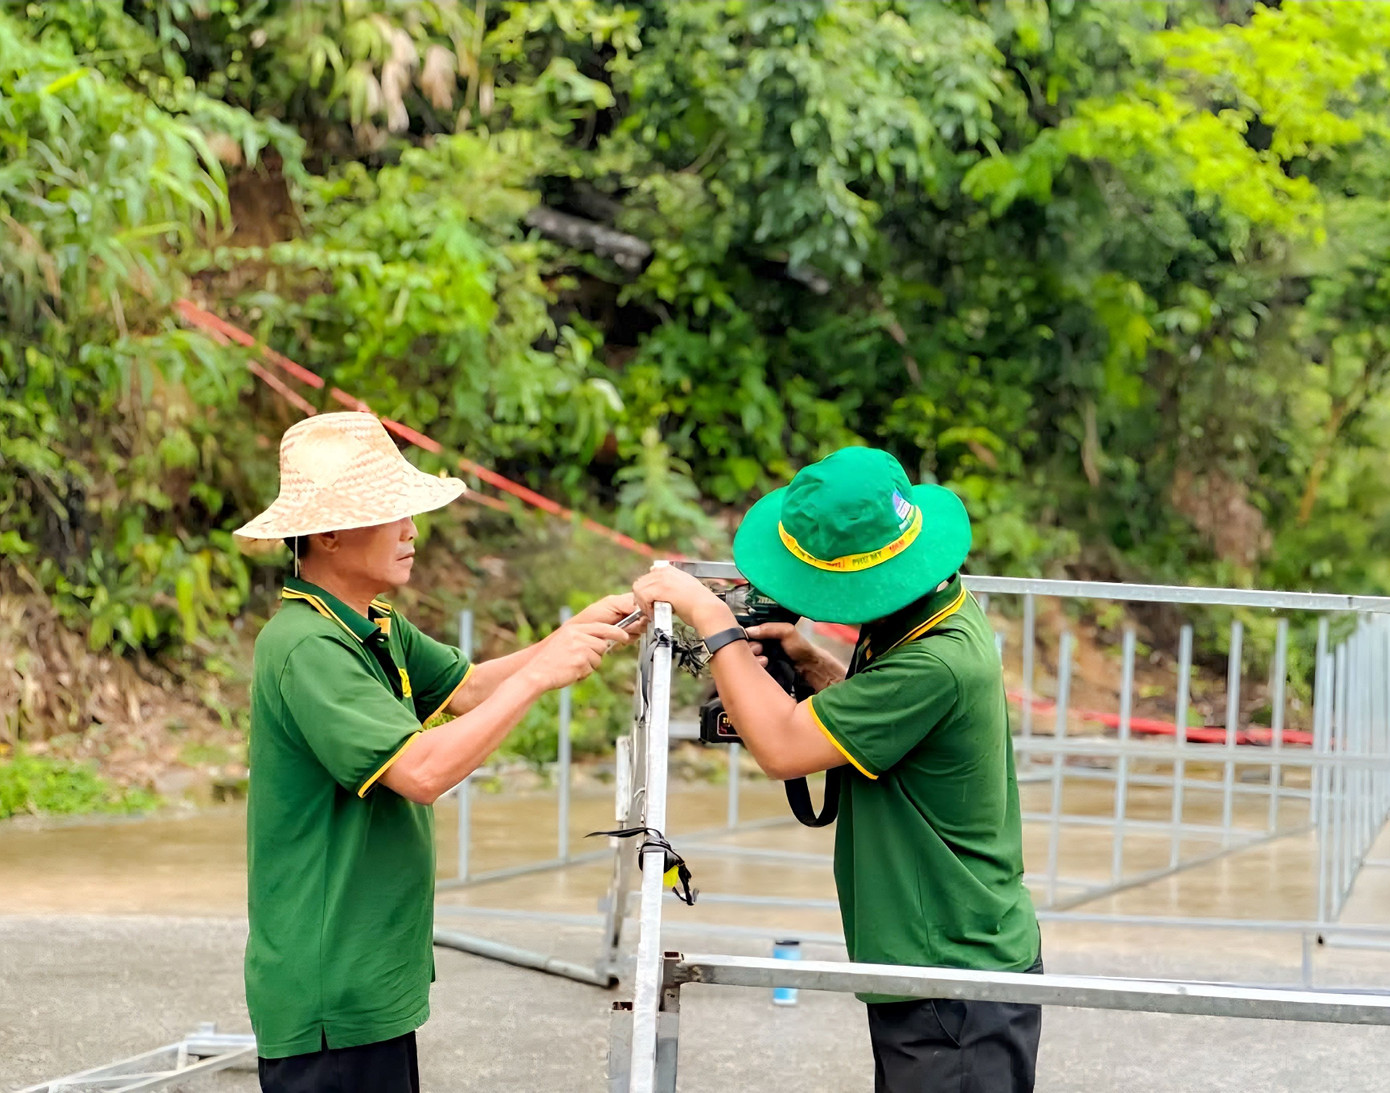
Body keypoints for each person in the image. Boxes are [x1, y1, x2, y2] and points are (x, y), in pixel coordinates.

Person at [234, 411, 638, 1093]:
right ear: (328, 533)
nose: (411, 530)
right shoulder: (306, 645)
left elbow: (472, 687)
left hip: (369, 974)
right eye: (391, 513)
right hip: (330, 985)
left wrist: (574, 631)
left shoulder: (370, 624)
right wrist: (544, 674)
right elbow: (420, 772)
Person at [632, 445, 1041, 1093]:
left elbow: (784, 748)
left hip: (955, 977)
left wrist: (712, 620)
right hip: (933, 961)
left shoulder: (937, 660)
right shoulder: (924, 615)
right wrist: (806, 655)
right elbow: (878, 713)